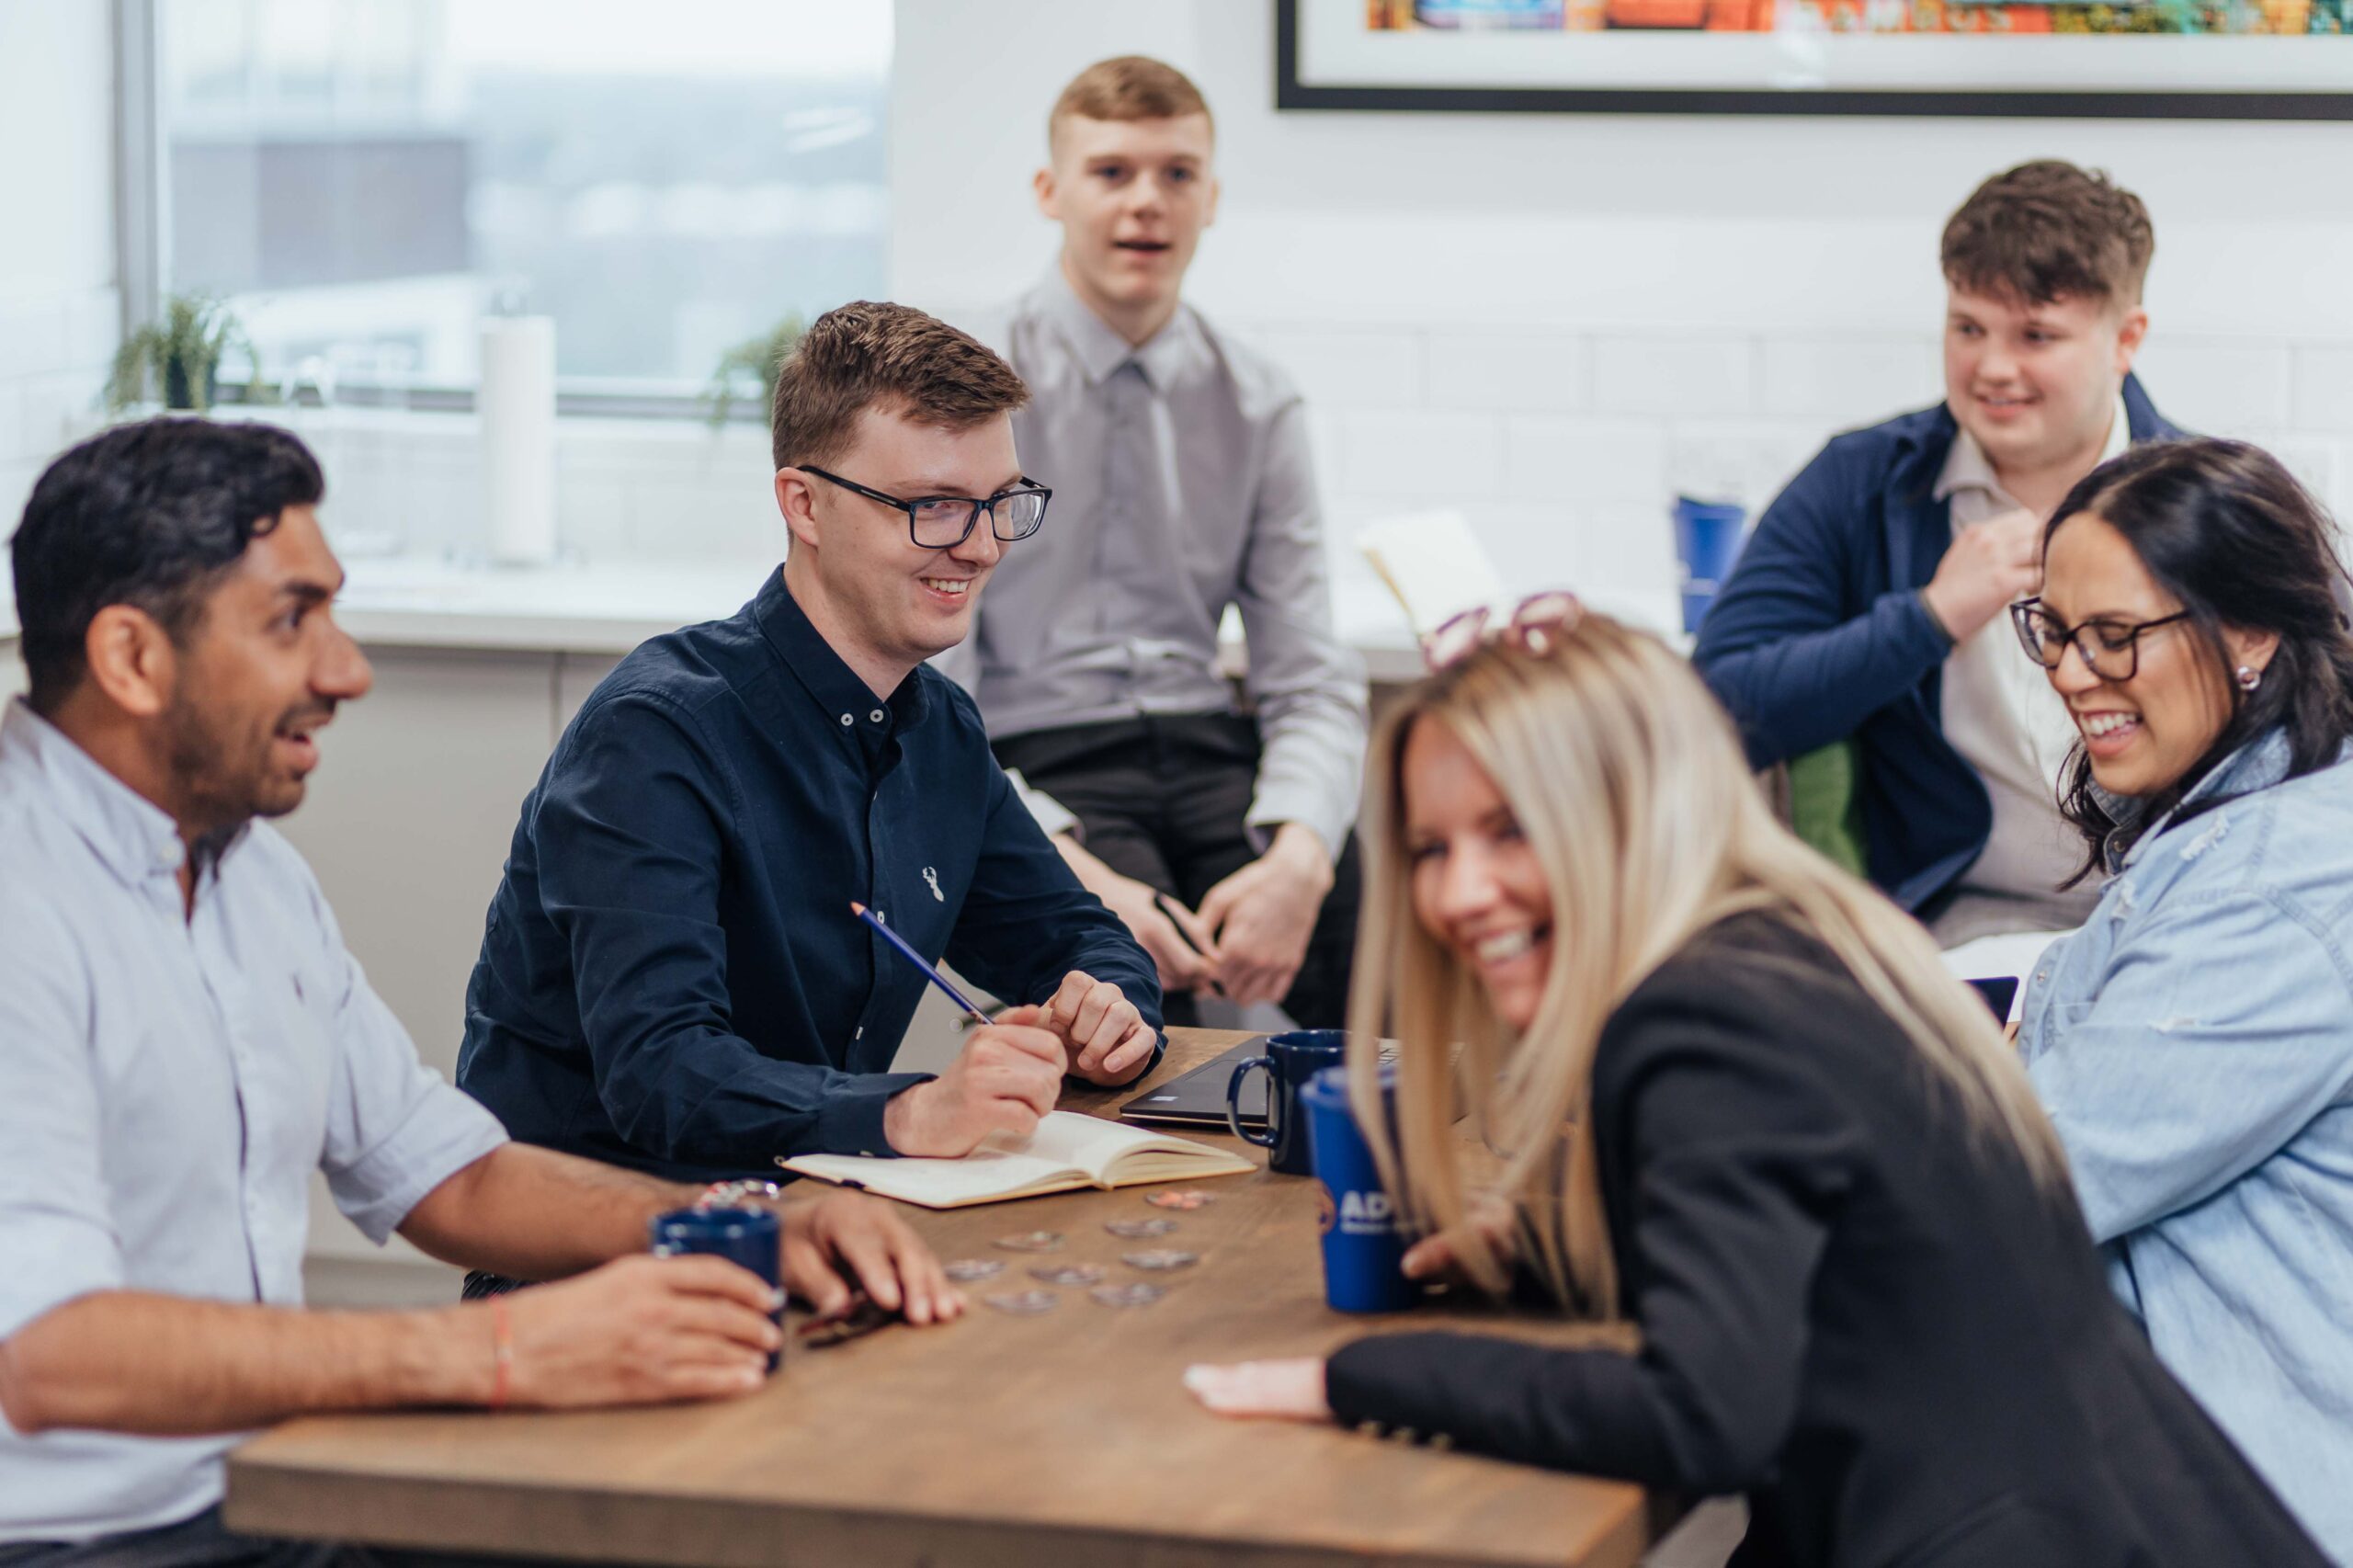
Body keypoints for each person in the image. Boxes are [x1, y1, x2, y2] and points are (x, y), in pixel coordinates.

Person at [1185, 598, 2325, 1567]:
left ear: (1625, 814)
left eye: (1512, 831)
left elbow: (1703, 1418)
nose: (1463, 890)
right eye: (1432, 848)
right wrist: (1553, 1255)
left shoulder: (1694, 1019)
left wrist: (1363, 1377)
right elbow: (1837, 1240)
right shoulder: (1785, 942)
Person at [0, 418, 957, 1564]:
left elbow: (439, 1168)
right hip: (73, 1535)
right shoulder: (24, 901)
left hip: (265, 1490)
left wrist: (742, 1224)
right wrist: (504, 1352)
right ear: (133, 658)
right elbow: (42, 1349)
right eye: (290, 620)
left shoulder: (252, 874)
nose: (346, 669)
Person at [458, 301, 1162, 1194]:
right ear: (804, 504)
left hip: (804, 1219)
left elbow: (1078, 935)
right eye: (935, 506)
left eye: (999, 503)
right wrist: (907, 1111)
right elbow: (661, 1074)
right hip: (604, 1259)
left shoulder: (938, 728)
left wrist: (1112, 1009)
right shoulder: (652, 737)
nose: (982, 546)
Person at [938, 56, 1369, 1029]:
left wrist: (1300, 860)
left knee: (1341, 924)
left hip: (1203, 744)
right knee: (1120, 992)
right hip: (1041, 754)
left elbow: (1311, 674)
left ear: (1210, 198)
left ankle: (1352, 1178)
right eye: (1111, 172)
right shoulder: (962, 388)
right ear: (1050, 192)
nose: (1146, 203)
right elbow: (929, 697)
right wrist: (1068, 866)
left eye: (1177, 174)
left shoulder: (1258, 399)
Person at [2006, 438, 2353, 1557]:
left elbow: (2035, 1173)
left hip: (2250, 1496)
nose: (2068, 672)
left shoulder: (2278, 884)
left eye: (2114, 636)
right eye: (2052, 630)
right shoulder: (2250, 819)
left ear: (2251, 631)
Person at [1694, 161, 2183, 946]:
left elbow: (2326, 710)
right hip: (1956, 931)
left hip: (2178, 912)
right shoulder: (1861, 485)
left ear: (2125, 340)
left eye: (2036, 335)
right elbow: (1713, 707)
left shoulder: (2210, 499)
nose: (1992, 368)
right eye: (1968, 328)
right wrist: (1930, 618)